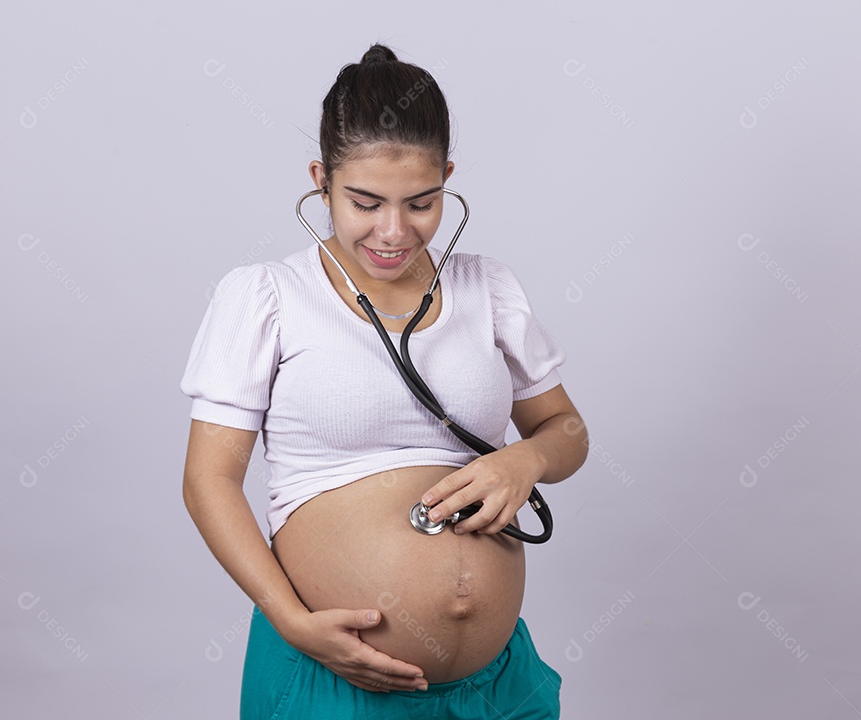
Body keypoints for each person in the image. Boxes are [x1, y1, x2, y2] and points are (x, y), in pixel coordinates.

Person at [180, 43, 588, 719]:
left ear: (448, 179)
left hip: (496, 684)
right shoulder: (267, 297)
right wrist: (289, 619)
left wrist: (527, 458)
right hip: (336, 676)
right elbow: (208, 480)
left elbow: (567, 430)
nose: (394, 232)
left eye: (421, 203)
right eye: (365, 202)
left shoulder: (486, 287)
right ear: (321, 180)